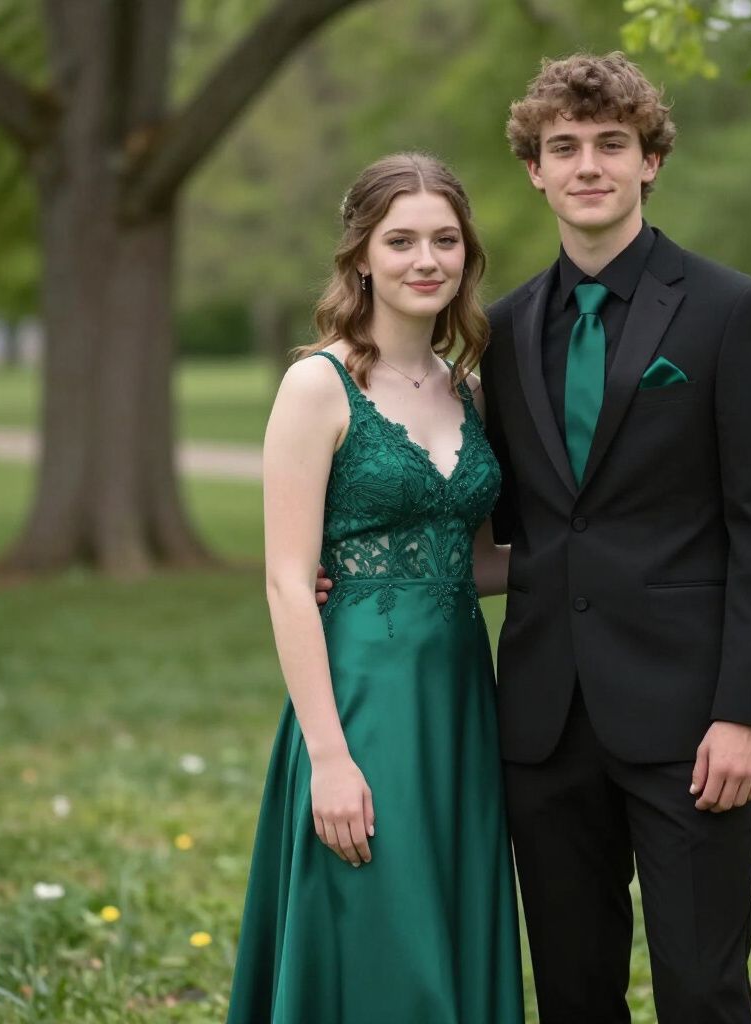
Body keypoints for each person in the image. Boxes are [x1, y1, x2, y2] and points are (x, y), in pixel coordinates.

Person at [480, 52, 751, 1023]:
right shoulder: (498, 332)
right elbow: (514, 526)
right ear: (534, 170)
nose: (588, 164)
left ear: (650, 159)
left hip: (690, 723)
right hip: (543, 719)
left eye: (610, 144)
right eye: (564, 147)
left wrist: (746, 711)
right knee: (574, 992)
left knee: (701, 987)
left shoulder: (727, 310)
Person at [226, 152, 523, 1024]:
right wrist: (328, 756)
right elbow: (286, 579)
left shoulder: (469, 391)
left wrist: (600, 562)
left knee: (446, 923)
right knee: (375, 930)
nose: (425, 259)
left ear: (467, 256)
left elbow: (465, 563)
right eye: (401, 240)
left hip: (461, 703)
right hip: (360, 701)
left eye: (445, 240)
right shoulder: (317, 385)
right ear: (362, 255)